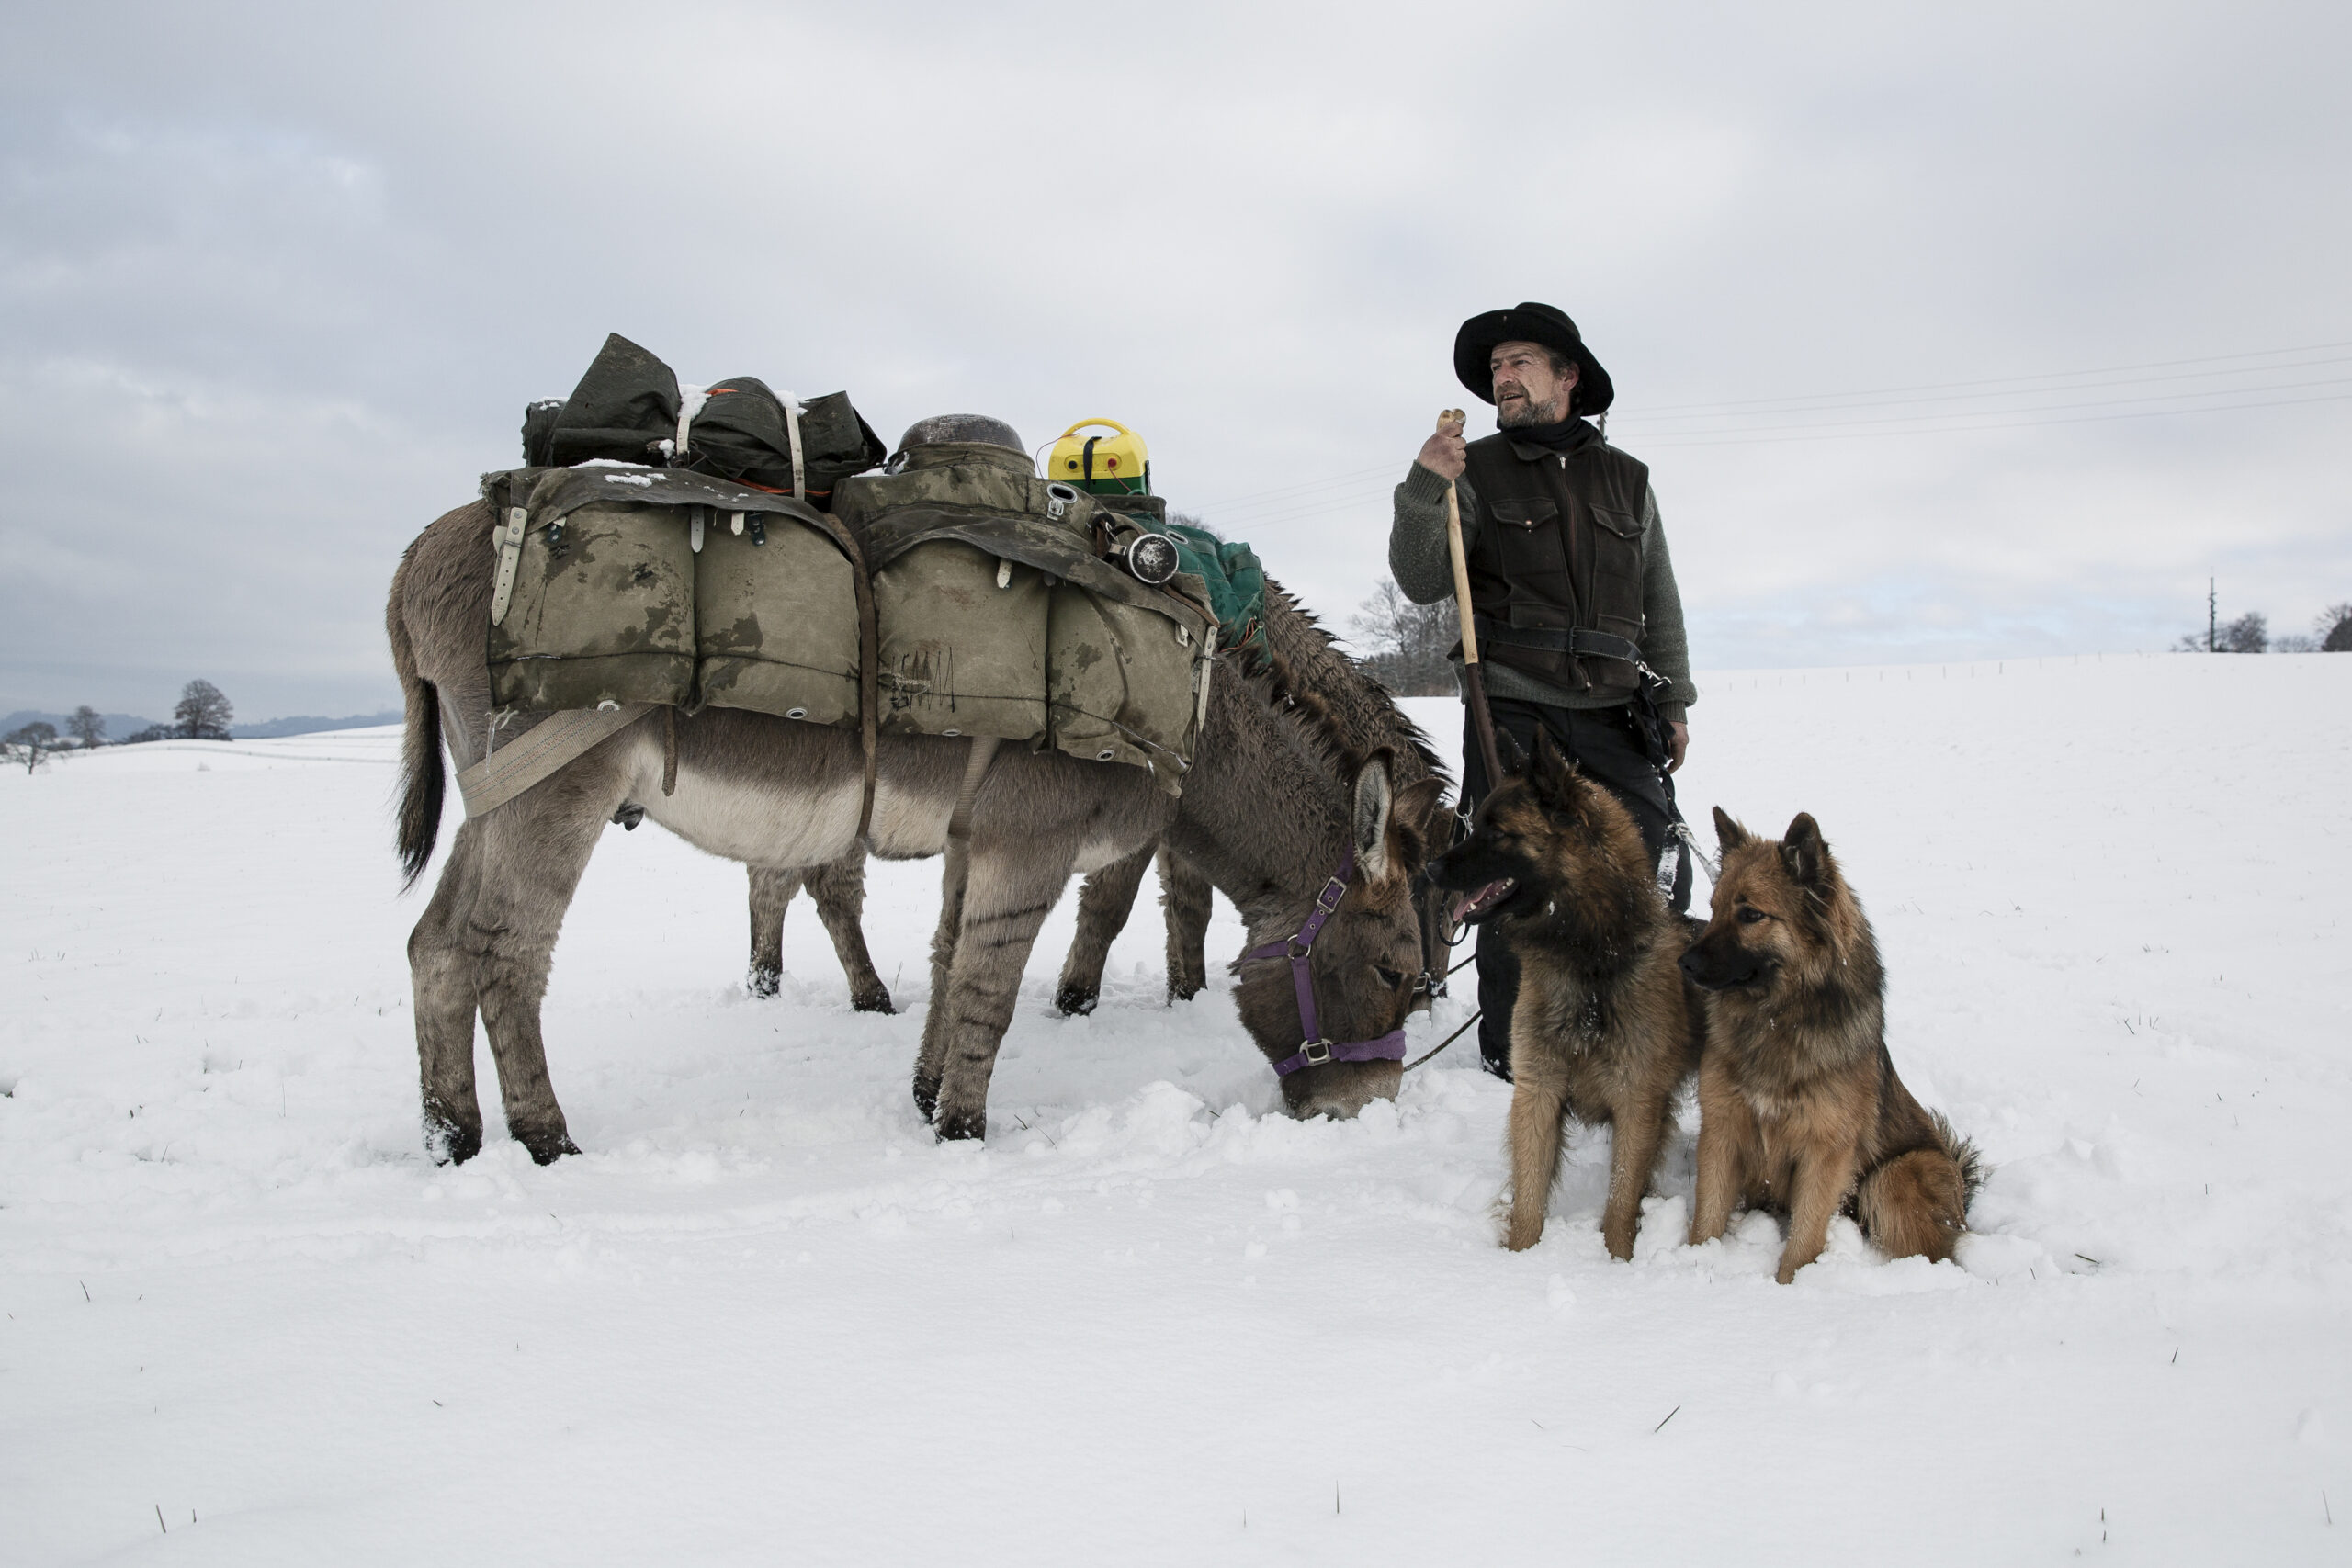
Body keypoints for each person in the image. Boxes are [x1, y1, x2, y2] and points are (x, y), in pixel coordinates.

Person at [1387, 301, 1698, 1080]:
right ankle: (1511, 1046)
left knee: (1651, 861)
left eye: (1519, 360)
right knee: (1510, 871)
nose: (1502, 377)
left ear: (1569, 376)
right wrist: (1426, 486)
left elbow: (1659, 594)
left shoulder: (1628, 481)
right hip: (1515, 702)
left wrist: (1675, 700)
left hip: (1616, 705)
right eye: (1495, 367)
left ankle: (1621, 1019)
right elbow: (1422, 578)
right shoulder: (1473, 469)